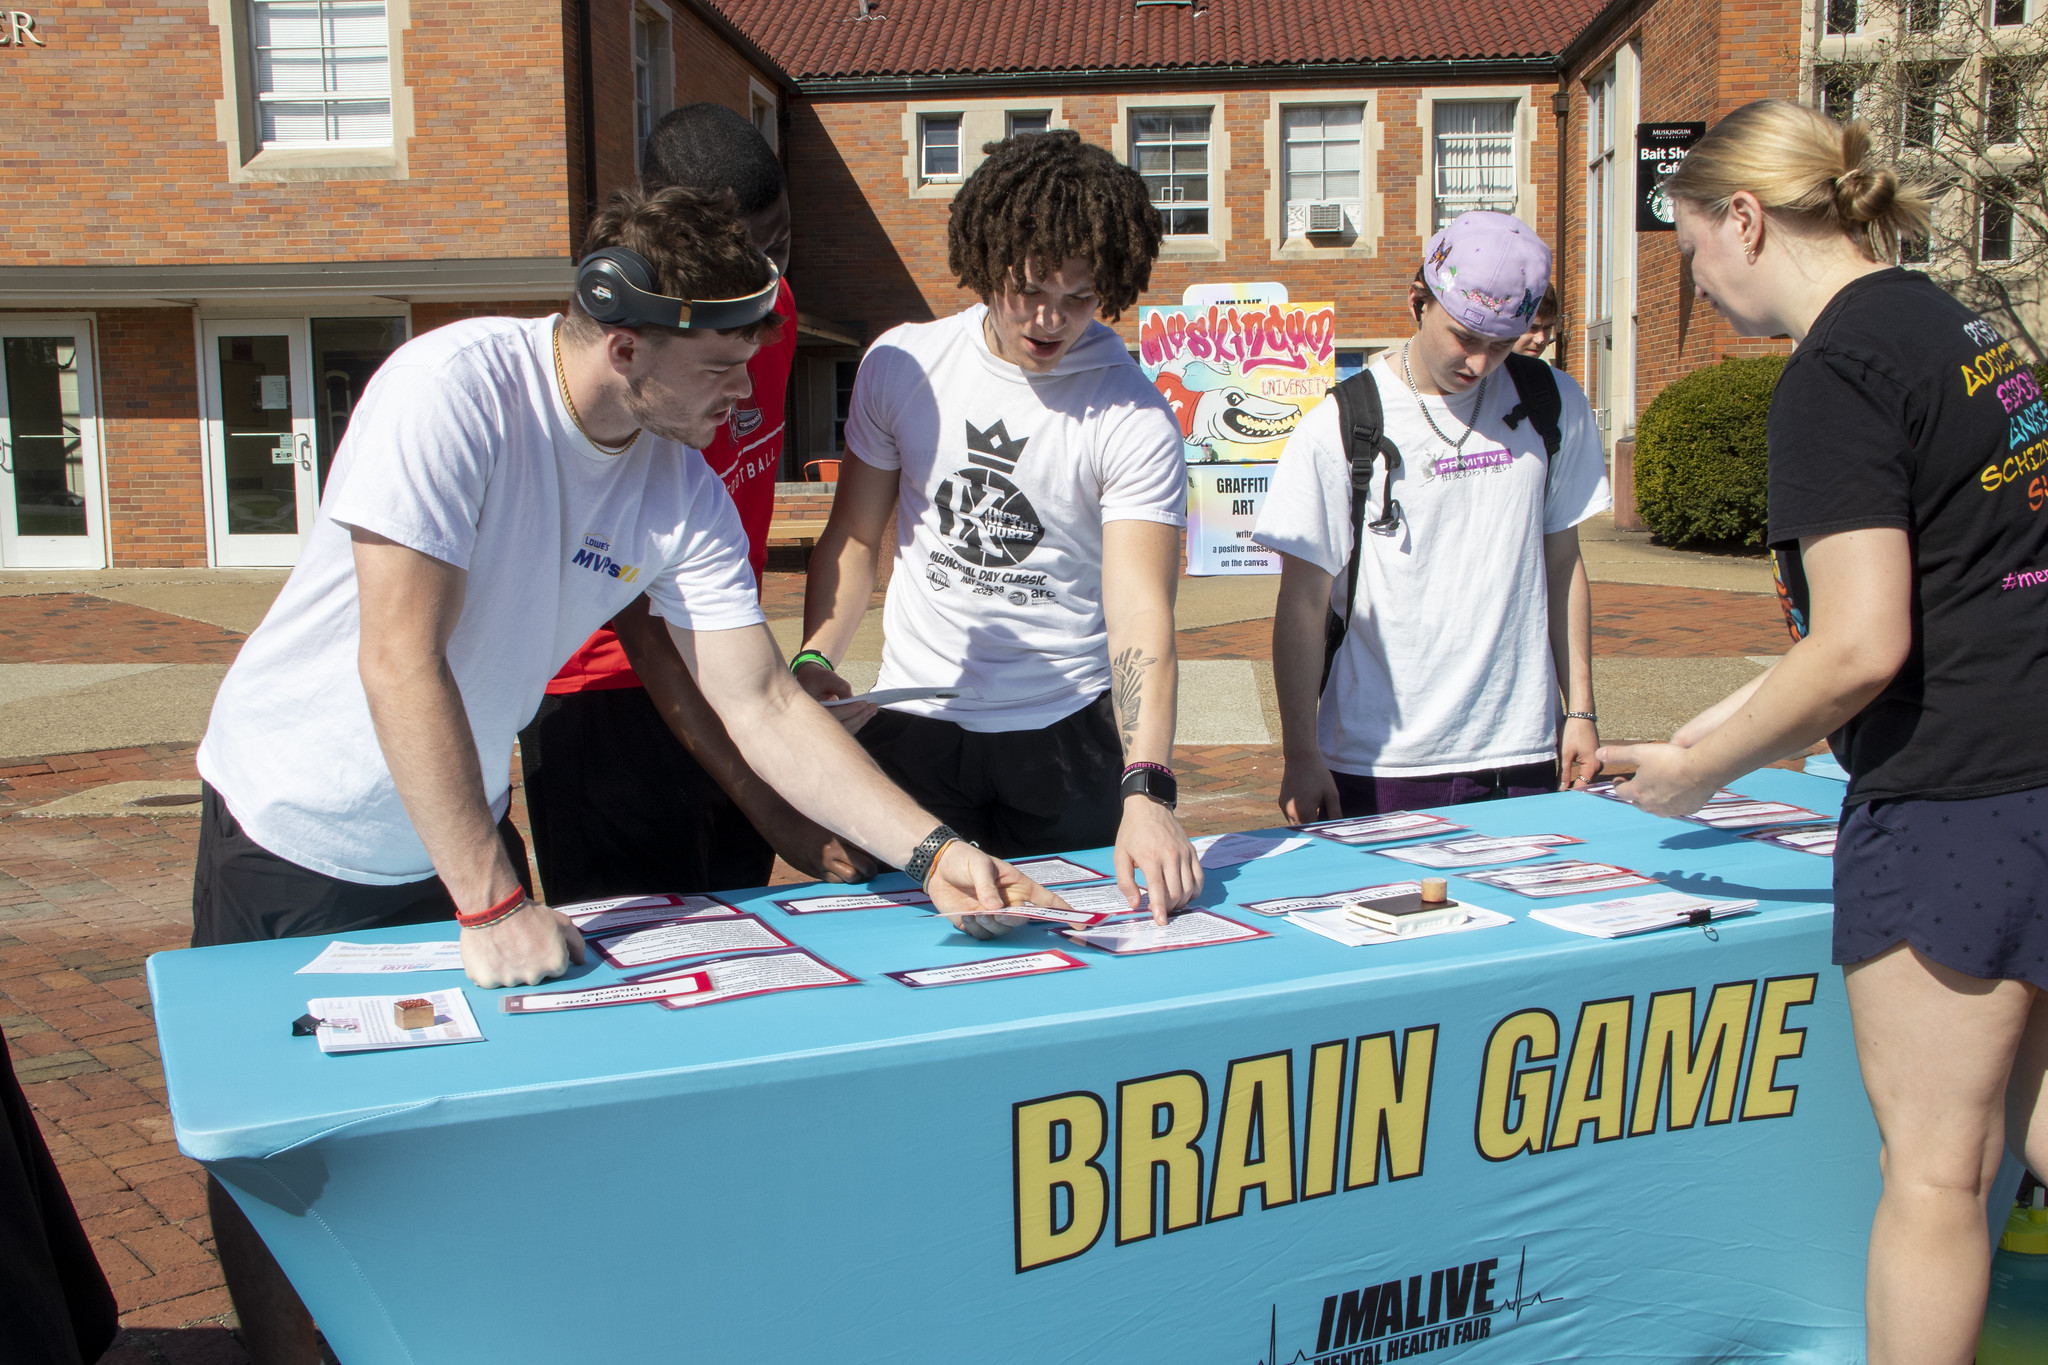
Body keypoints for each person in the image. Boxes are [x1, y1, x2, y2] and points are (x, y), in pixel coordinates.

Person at [189, 184, 1058, 1365]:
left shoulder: (677, 481)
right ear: (623, 343)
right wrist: (491, 898)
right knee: (293, 1172)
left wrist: (932, 850)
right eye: (718, 366)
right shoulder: (452, 390)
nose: (745, 393)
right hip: (295, 826)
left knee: (431, 1164)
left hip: (443, 830)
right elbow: (399, 660)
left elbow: (753, 701)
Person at [1600, 99, 2048, 1365]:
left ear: (1743, 218)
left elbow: (1860, 645)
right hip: (2028, 764)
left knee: (1934, 1174)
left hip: (1956, 800)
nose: (1695, 278)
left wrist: (1699, 768)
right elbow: (1953, 585)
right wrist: (1721, 719)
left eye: (1689, 248)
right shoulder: (1955, 321)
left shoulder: (1835, 371)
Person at [793, 130, 1201, 918]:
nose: (1050, 319)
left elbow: (1142, 612)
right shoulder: (902, 366)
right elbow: (853, 536)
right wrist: (815, 656)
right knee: (909, 957)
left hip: (1065, 734)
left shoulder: (1133, 414)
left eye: (1079, 298)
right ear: (985, 263)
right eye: (1028, 290)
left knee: (1078, 954)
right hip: (915, 722)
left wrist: (1148, 785)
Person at [518, 102, 876, 905]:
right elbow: (641, 618)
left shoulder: (767, 312)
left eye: (780, 244)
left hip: (723, 655)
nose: (768, 277)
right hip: (603, 698)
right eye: (747, 254)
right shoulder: (642, 364)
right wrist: (767, 801)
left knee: (749, 936)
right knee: (644, 964)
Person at [1256, 211, 1610, 824]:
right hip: (1376, 760)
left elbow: (1562, 563)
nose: (1478, 363)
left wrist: (1579, 709)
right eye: (1465, 337)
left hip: (1519, 750)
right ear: (1419, 299)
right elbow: (1303, 604)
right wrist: (1301, 751)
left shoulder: (1552, 403)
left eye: (1501, 345)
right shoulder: (1341, 424)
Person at [1511, 282, 1559, 360]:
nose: (1541, 339)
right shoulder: (1486, 370)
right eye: (1532, 327)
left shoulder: (1550, 372)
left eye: (1547, 328)